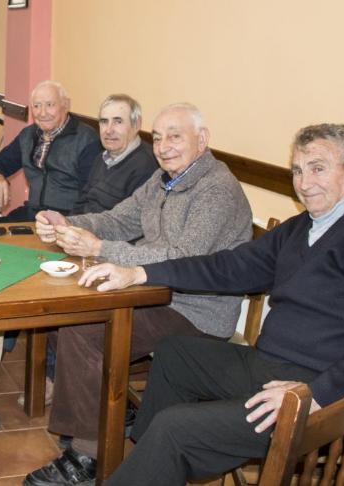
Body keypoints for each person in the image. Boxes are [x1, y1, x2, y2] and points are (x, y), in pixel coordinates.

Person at [83, 124, 344, 486]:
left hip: (321, 392)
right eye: (297, 170)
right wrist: (140, 272)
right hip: (269, 365)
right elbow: (226, 267)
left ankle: (159, 458)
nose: (304, 182)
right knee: (174, 354)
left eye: (318, 168)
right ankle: (154, 467)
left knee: (174, 427)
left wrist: (315, 396)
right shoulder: (302, 228)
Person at [24, 103, 252, 486]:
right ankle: (93, 416)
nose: (163, 147)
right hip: (152, 289)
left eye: (175, 136)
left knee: (84, 332)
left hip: (195, 308)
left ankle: (88, 453)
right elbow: (119, 218)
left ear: (203, 139)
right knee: (70, 311)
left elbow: (183, 260)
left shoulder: (217, 189)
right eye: (158, 138)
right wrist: (69, 223)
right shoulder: (165, 179)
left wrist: (100, 249)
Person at [0, 81, 101, 222]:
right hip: (32, 215)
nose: (43, 113)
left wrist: (66, 224)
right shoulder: (28, 135)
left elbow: (92, 196)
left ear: (66, 105)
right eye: (36, 106)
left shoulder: (87, 139)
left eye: (50, 105)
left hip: (68, 219)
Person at [73, 94, 158, 215]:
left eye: (118, 121)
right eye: (104, 121)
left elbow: (127, 225)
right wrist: (66, 224)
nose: (108, 130)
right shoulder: (101, 157)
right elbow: (82, 202)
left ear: (137, 124)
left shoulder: (147, 166)